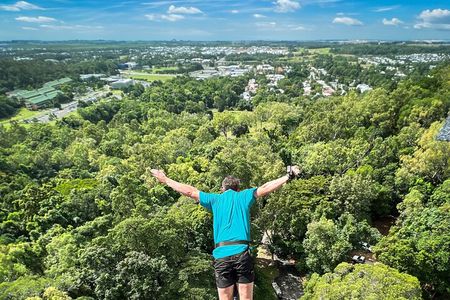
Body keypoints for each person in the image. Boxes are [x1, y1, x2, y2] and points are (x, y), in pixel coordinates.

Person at [150, 166, 300, 300]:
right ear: (238, 189)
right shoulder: (244, 196)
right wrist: (288, 176)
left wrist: (165, 179)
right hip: (242, 254)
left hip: (222, 256)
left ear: (222, 189)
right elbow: (266, 187)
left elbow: (190, 191)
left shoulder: (215, 199)